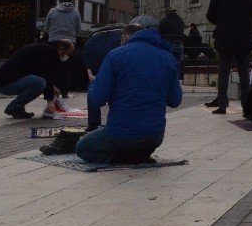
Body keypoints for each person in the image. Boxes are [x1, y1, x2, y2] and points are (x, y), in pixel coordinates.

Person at [75, 25, 182, 164]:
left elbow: (97, 99)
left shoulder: (115, 55)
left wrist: (95, 83)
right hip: (154, 137)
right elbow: (175, 101)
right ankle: (139, 155)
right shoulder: (169, 58)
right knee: (138, 141)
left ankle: (122, 158)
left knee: (83, 147)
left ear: (124, 37)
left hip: (121, 135)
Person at [205, 0, 252, 115]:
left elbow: (210, 15)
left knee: (223, 72)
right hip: (244, 38)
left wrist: (221, 22)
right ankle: (246, 107)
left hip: (225, 37)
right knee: (243, 73)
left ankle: (222, 105)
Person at [0, 39, 75, 119]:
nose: (66, 57)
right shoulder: (48, 53)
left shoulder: (45, 49)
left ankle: (16, 107)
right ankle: (15, 107)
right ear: (61, 49)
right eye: (67, 54)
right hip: (6, 83)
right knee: (39, 83)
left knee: (41, 83)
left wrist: (52, 88)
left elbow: (41, 73)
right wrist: (50, 101)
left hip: (6, 81)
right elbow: (47, 75)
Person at [82, 24, 126, 131]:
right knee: (117, 83)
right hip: (115, 42)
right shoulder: (126, 32)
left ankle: (93, 123)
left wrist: (89, 67)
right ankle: (116, 121)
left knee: (94, 81)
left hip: (92, 42)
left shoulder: (100, 32)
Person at [159, 8, 186, 75]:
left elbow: (160, 32)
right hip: (179, 43)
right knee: (177, 63)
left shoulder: (165, 20)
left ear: (167, 12)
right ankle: (175, 80)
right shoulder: (181, 21)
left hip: (168, 43)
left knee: (167, 62)